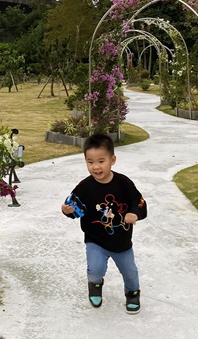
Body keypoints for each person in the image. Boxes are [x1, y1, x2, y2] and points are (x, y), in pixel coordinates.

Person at [61, 133, 148, 314]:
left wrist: (135, 213)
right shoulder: (84, 187)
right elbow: (75, 206)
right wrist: (66, 210)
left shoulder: (123, 183)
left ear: (112, 160)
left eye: (101, 161)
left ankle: (132, 293)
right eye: (90, 162)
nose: (96, 167)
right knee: (95, 269)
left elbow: (139, 201)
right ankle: (95, 284)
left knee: (130, 272)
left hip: (121, 242)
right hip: (95, 240)